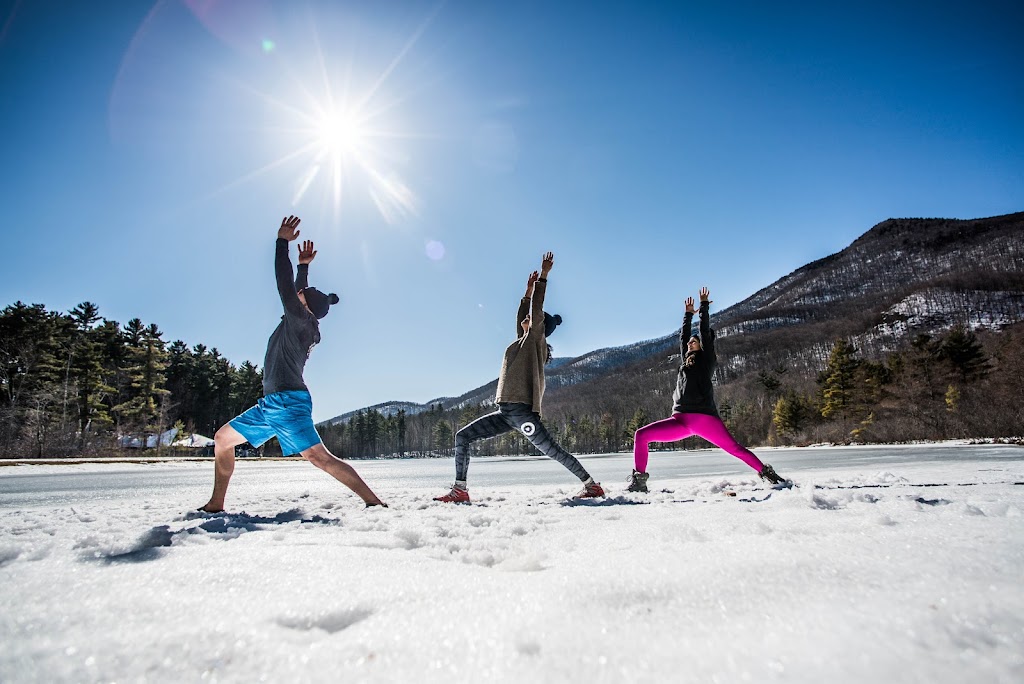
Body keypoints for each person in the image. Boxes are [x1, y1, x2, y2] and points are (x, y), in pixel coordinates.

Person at [199, 215, 386, 512]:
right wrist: (304, 267)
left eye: (301, 296)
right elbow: (299, 290)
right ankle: (216, 503)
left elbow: (284, 285)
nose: (297, 294)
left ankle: (374, 502)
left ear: (305, 306)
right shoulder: (303, 321)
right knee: (223, 439)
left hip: (287, 402)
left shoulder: (299, 320)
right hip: (272, 403)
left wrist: (281, 242)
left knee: (319, 458)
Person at [434, 252, 604, 503]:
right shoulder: (522, 342)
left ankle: (592, 486)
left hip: (523, 413)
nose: (527, 319)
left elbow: (535, 310)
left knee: (553, 451)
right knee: (463, 436)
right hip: (505, 414)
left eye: (532, 320)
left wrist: (543, 276)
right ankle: (460, 490)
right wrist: (526, 292)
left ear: (539, 327)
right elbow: (522, 316)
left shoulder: (536, 341)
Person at [626, 287, 787, 493]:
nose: (690, 343)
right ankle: (639, 482)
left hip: (704, 418)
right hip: (680, 420)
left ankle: (767, 473)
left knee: (734, 448)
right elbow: (683, 338)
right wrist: (687, 315)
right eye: (690, 342)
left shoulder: (706, 360)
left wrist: (703, 307)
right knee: (641, 435)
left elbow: (704, 332)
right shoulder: (686, 363)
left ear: (702, 345)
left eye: (695, 342)